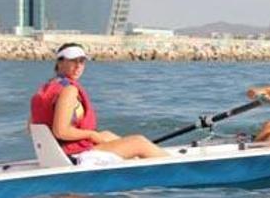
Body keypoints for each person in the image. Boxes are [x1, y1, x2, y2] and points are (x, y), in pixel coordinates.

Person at [29, 43, 169, 164]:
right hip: (73, 155)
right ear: (59, 62)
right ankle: (169, 164)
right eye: (73, 61)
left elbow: (31, 127)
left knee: (107, 135)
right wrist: (91, 135)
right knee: (139, 142)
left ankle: (136, 160)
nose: (78, 66)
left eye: (82, 61)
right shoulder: (68, 90)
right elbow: (61, 131)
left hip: (59, 153)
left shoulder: (46, 89)